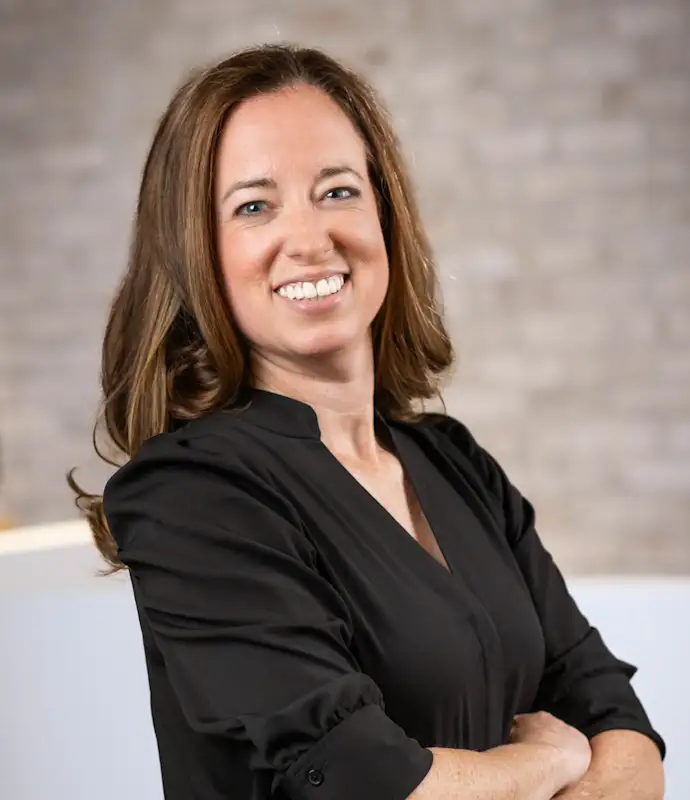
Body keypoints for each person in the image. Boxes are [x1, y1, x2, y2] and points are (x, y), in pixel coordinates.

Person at [69, 44, 665, 800]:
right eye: (254, 206)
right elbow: (360, 780)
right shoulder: (188, 495)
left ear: (385, 214)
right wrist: (547, 762)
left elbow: (622, 727)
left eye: (339, 191)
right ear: (198, 254)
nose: (311, 238)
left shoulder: (453, 462)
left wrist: (569, 761)